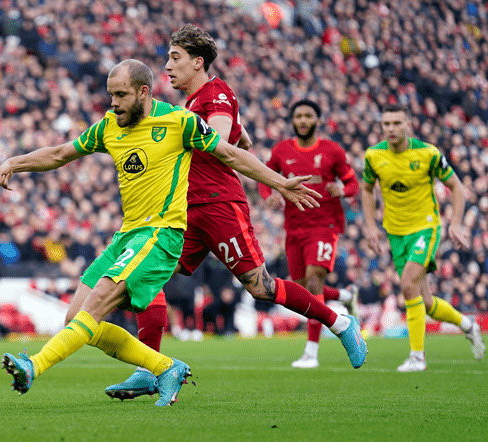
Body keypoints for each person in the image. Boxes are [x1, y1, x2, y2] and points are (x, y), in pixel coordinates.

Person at [0, 59, 325, 407]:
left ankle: (34, 366)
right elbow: (60, 153)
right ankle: (164, 367)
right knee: (76, 319)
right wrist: (14, 162)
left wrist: (280, 182)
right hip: (128, 236)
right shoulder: (108, 127)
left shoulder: (179, 122)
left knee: (92, 312)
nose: (114, 103)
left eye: (121, 95)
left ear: (143, 92)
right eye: (110, 95)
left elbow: (231, 154)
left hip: (161, 234)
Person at [104, 25, 366, 400]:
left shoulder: (217, 94)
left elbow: (219, 139)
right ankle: (150, 369)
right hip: (185, 211)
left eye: (174, 59)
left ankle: (340, 322)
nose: (167, 67)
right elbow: (228, 133)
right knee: (148, 280)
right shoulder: (189, 104)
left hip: (218, 206)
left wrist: (233, 137)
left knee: (262, 287)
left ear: (198, 62)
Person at [362, 103, 485, 371]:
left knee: (407, 284)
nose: (391, 129)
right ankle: (468, 324)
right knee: (425, 303)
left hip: (425, 227)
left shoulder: (428, 153)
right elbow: (367, 189)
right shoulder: (373, 156)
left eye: (397, 123)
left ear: (408, 124)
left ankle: (417, 357)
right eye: (386, 124)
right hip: (395, 232)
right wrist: (370, 226)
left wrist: (455, 223)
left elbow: (456, 186)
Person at [258, 99, 360, 369]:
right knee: (301, 288)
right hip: (294, 228)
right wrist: (269, 196)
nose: (303, 120)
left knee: (314, 282)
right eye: (299, 116)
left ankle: (311, 352)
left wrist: (343, 190)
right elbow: (265, 178)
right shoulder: (281, 151)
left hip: (324, 226)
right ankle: (344, 296)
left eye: (308, 116)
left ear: (317, 120)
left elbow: (352, 183)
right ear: (293, 121)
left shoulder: (332, 151)